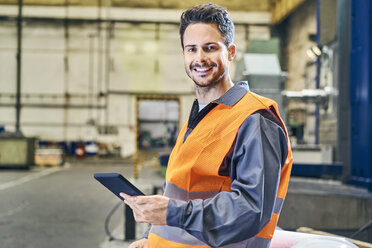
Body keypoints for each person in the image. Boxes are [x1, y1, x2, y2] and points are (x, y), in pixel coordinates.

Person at [121, 3, 293, 248]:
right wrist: (151, 239)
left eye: (210, 48)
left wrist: (172, 212)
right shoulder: (197, 119)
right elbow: (179, 194)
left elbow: (251, 210)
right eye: (191, 49)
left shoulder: (255, 119)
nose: (199, 58)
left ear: (231, 52)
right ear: (184, 55)